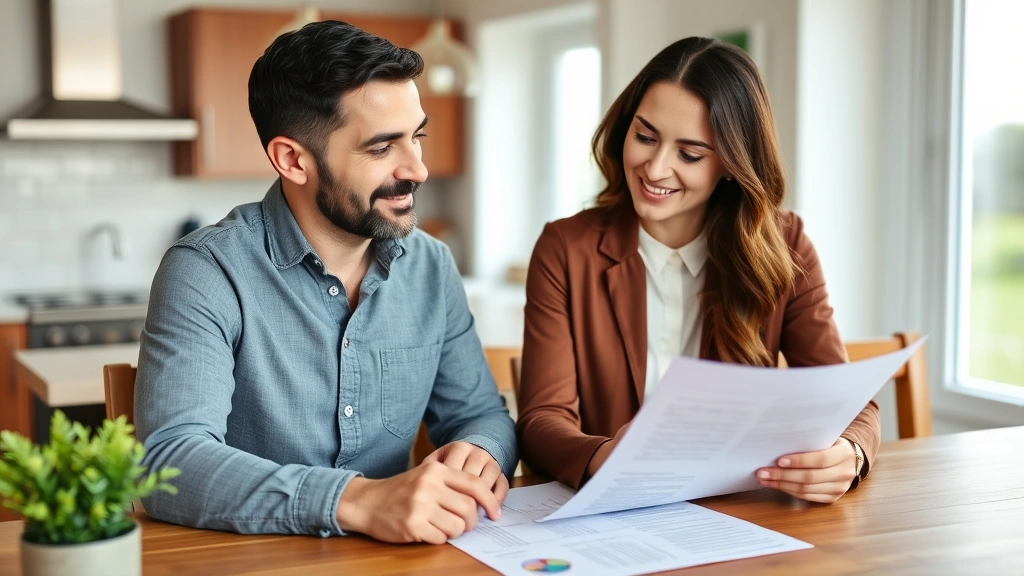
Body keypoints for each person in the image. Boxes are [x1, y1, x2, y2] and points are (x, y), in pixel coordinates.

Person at [135, 21, 517, 543]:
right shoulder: (206, 271)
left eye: (417, 137)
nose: (418, 169)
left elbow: (478, 414)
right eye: (383, 148)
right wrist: (357, 501)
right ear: (293, 160)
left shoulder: (431, 266)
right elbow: (169, 465)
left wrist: (482, 452)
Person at [516, 37, 877, 504]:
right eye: (645, 136)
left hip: (739, 513)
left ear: (731, 163)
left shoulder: (786, 245)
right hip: (614, 514)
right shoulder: (566, 248)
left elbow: (845, 402)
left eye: (690, 154)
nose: (656, 167)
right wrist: (603, 456)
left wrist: (849, 453)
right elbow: (542, 419)